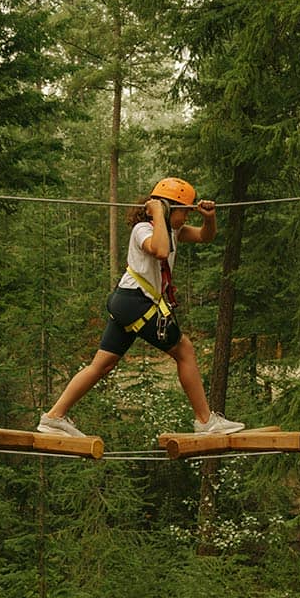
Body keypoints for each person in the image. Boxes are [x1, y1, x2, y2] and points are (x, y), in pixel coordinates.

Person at [38, 177, 245, 437]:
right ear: (169, 209)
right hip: (136, 301)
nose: (186, 217)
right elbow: (159, 251)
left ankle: (53, 417)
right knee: (185, 350)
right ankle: (205, 421)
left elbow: (205, 236)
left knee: (102, 365)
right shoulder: (143, 230)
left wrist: (209, 217)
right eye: (184, 211)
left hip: (129, 303)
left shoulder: (172, 230)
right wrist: (158, 213)